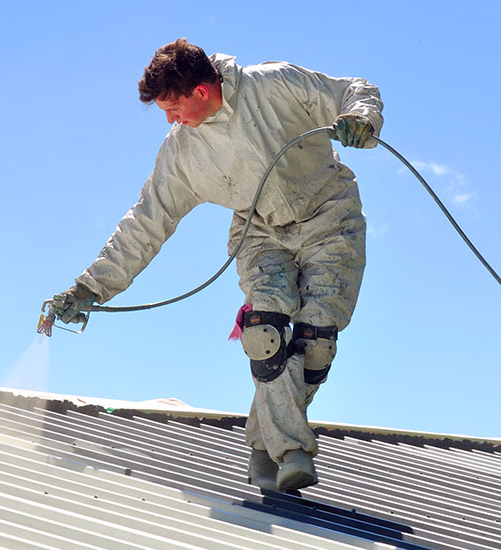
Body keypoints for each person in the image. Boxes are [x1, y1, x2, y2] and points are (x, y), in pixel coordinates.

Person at [49, 38, 382, 492]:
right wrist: (91, 288)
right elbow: (146, 221)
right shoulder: (182, 152)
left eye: (173, 107)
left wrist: (361, 117)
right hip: (260, 230)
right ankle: (293, 451)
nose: (170, 119)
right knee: (264, 333)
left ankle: (263, 445)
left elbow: (352, 88)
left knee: (316, 341)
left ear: (201, 92)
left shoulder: (273, 84)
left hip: (331, 217)